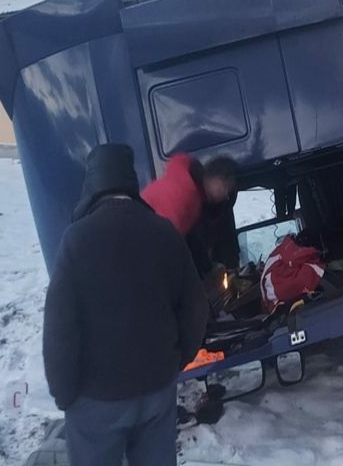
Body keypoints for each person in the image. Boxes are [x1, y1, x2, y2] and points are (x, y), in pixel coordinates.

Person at [43, 144, 207, 466]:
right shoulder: (164, 231)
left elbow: (60, 328)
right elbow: (195, 306)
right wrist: (175, 360)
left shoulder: (76, 240)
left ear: (92, 187)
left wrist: (64, 393)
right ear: (132, 184)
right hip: (156, 389)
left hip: (97, 399)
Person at [142, 154, 239, 276]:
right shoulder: (181, 193)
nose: (225, 195)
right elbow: (164, 242)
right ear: (216, 180)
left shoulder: (195, 197)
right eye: (226, 188)